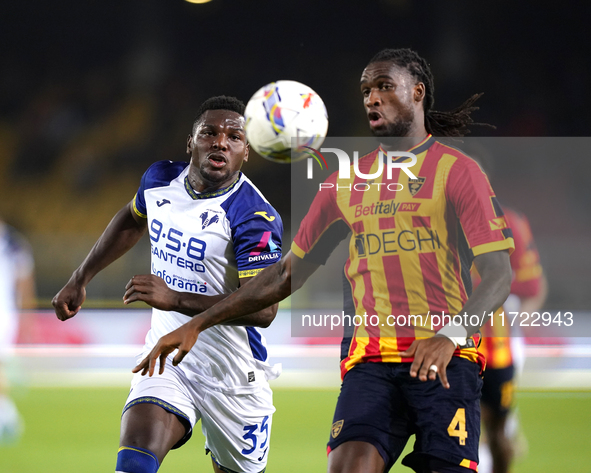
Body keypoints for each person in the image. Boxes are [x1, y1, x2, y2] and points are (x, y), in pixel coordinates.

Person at [131, 49, 514, 473]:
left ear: (417, 93)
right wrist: (196, 323)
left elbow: (499, 274)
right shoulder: (345, 182)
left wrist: (452, 334)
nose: (372, 98)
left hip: (444, 362)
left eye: (384, 86)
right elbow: (282, 277)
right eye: (367, 90)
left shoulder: (458, 171)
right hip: (370, 364)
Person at [52, 96, 283, 473]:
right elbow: (131, 219)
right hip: (166, 360)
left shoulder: (254, 216)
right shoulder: (160, 179)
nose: (220, 141)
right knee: (134, 460)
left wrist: (174, 298)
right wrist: (80, 278)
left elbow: (263, 308)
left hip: (233, 374)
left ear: (246, 152)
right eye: (209, 132)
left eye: (234, 136)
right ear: (191, 142)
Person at [476, 207, 547, 473]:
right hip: (457, 345)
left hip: (498, 347)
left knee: (496, 430)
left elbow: (534, 286)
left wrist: (518, 322)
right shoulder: (434, 219)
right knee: (465, 427)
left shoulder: (510, 224)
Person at [0, 219, 36, 445]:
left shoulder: (12, 243)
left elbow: (24, 282)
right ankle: (7, 414)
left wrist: (26, 317)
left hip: (4, 314)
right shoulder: (13, 244)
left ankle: (9, 416)